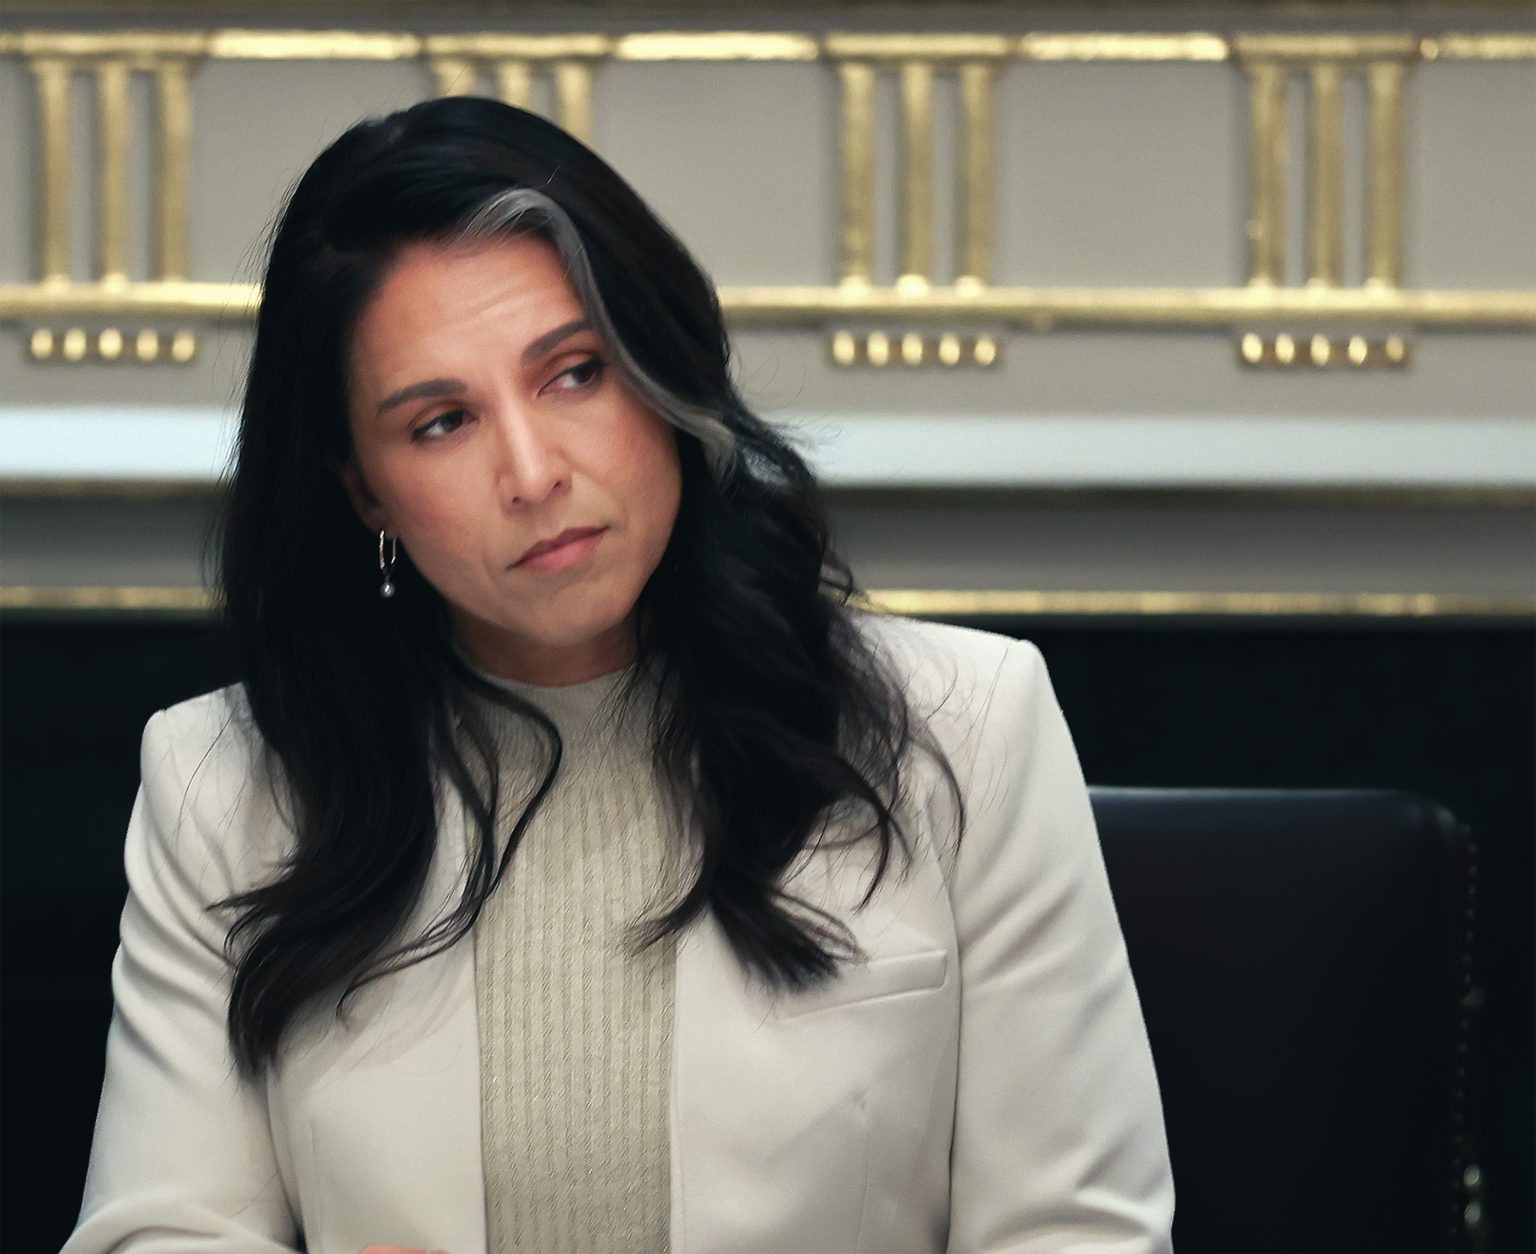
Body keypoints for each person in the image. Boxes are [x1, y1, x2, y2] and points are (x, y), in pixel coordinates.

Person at [65, 96, 1174, 1253]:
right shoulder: (220, 785)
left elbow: (1077, 1231)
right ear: (365, 492)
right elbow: (160, 1230)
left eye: (576, 372)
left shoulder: (974, 728)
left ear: (661, 370)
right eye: (442, 422)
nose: (533, 471)